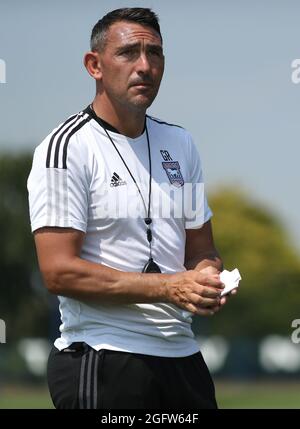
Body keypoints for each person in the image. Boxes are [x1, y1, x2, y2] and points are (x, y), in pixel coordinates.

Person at [27, 7, 236, 409]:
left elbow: (201, 250)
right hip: (103, 356)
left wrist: (207, 278)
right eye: (129, 53)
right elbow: (59, 272)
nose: (144, 66)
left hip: (183, 358)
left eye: (154, 54)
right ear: (95, 65)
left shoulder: (182, 143)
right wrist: (169, 287)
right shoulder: (67, 148)